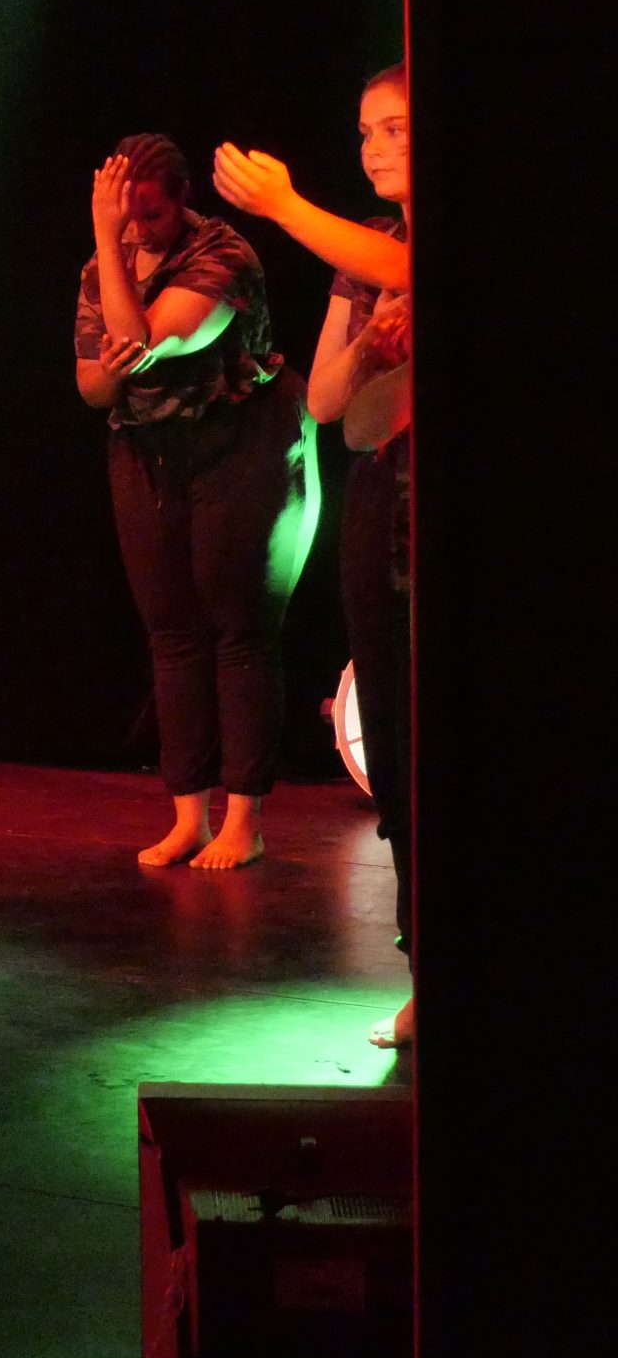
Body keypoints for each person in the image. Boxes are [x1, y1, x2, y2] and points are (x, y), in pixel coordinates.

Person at [217, 68, 414, 1045]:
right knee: (401, 746)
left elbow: (411, 266)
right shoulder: (361, 253)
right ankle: (425, 971)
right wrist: (370, 346)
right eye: (365, 130)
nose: (373, 147)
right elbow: (329, 405)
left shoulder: (402, 245)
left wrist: (285, 204)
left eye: (395, 128)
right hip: (386, 499)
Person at [74, 134, 316, 870]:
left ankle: (244, 820)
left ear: (182, 200)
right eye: (124, 216)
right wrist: (111, 271)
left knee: (240, 630)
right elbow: (93, 387)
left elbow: (148, 341)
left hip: (240, 442)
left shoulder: (222, 254)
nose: (136, 230)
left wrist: (105, 244)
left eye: (149, 214)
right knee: (171, 632)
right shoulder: (101, 267)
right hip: (149, 451)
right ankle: (188, 816)